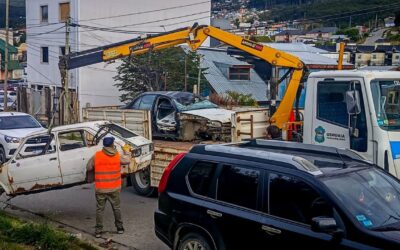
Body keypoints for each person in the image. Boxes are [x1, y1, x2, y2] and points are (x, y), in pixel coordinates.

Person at [91, 136, 131, 238]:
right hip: (114, 188)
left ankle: (98, 231)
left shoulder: (97, 155)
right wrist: (126, 151)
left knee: (100, 210)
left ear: (104, 145)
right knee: (116, 208)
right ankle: (120, 229)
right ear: (112, 145)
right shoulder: (117, 156)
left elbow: (88, 167)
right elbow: (127, 160)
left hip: (100, 188)